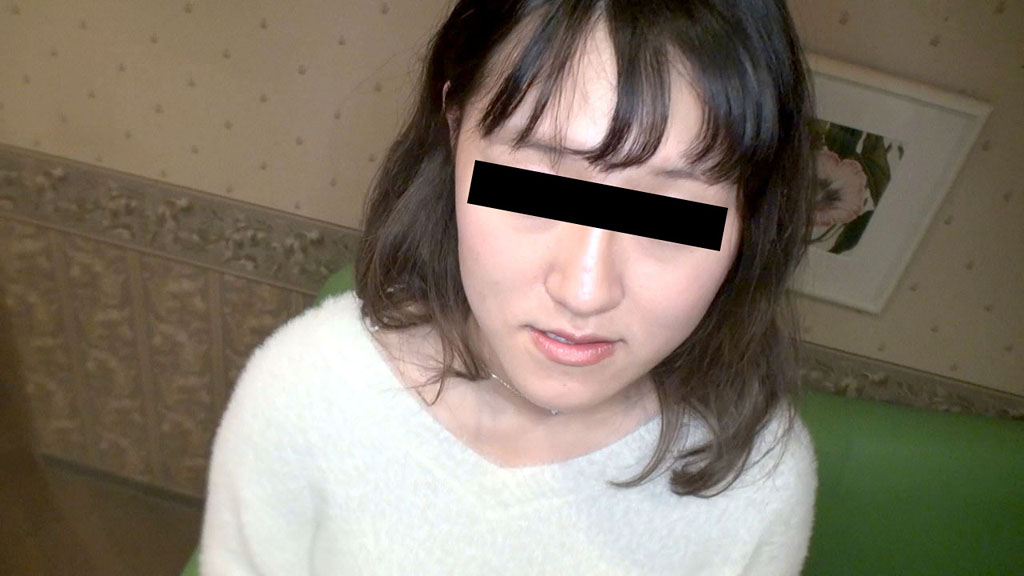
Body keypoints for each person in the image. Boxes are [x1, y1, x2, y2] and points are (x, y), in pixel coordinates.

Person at [199, 0, 818, 574]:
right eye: (538, 187)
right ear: (455, 130)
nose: (584, 291)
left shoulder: (756, 485)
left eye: (669, 214)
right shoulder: (306, 392)